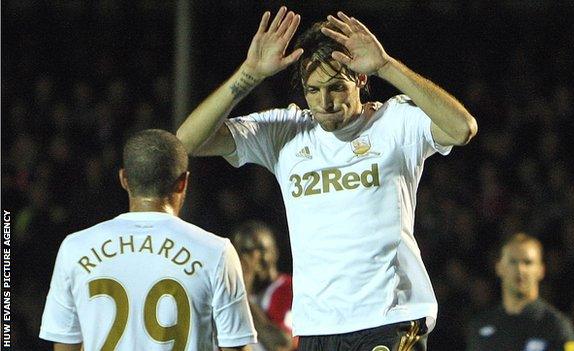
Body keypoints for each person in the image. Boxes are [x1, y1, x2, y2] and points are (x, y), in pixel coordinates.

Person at [177, 7, 477, 351]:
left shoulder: (394, 123)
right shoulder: (286, 132)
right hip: (316, 326)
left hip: (388, 319)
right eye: (313, 90)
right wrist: (249, 73)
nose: (325, 102)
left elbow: (462, 128)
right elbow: (186, 142)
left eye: (335, 87)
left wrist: (386, 65)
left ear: (360, 80)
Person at [39, 129, 257, 351]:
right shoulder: (216, 251)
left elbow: (65, 346)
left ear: (124, 179)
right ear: (183, 182)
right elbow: (234, 347)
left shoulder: (75, 248)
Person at [466, 232, 574, 351]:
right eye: (513, 262)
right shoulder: (480, 325)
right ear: (499, 268)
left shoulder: (557, 326)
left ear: (540, 270)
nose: (520, 269)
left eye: (528, 262)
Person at [232, 220, 296, 351]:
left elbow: (281, 344)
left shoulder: (288, 288)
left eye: (261, 249)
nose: (255, 258)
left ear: (274, 252)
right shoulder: (228, 293)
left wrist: (242, 297)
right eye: (246, 251)